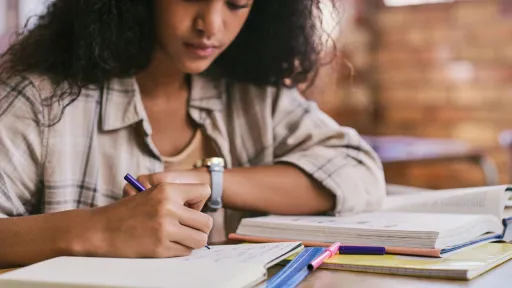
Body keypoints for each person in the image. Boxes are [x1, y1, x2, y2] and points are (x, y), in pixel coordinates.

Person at [0, 0, 385, 268]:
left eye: (236, 3)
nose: (211, 26)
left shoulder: (257, 97)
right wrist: (98, 230)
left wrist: (208, 181)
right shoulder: (41, 102)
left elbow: (360, 170)